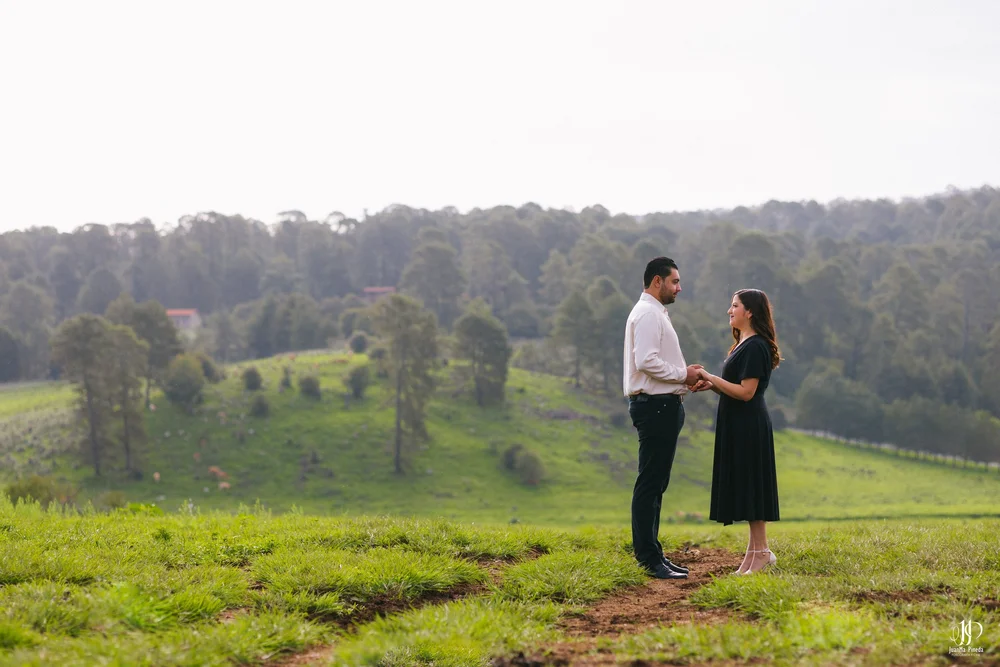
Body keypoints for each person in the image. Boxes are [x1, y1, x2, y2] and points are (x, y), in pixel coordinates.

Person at [623, 257, 708, 579]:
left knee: (656, 483)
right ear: (657, 281)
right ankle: (647, 558)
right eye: (674, 282)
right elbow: (646, 361)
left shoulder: (653, 313)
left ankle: (654, 553)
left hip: (662, 403)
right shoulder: (646, 314)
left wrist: (685, 377)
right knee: (650, 483)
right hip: (655, 406)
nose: (679, 287)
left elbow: (656, 362)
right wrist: (682, 375)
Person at [693, 288, 781, 574]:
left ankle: (762, 552)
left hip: (748, 425)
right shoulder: (743, 342)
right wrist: (714, 385)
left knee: (753, 487)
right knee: (747, 486)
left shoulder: (755, 346)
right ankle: (755, 553)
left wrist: (710, 376)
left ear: (750, 312)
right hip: (738, 424)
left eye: (734, 306)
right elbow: (735, 389)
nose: (729, 311)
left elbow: (746, 392)